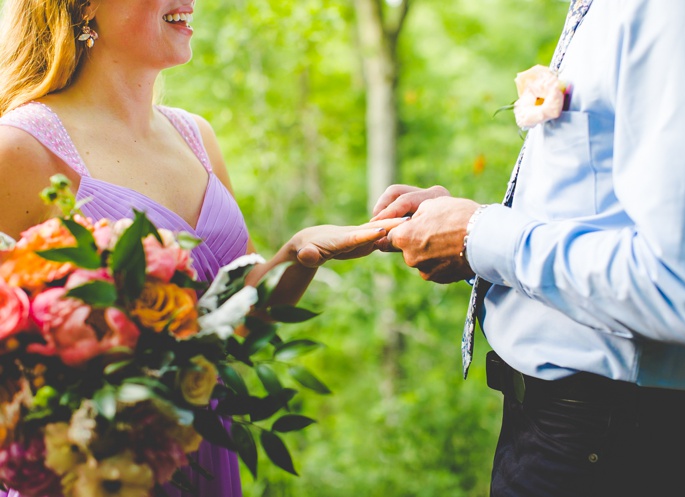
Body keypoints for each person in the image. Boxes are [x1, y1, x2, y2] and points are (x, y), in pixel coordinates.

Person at [0, 0, 398, 494]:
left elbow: (235, 319)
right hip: (92, 470)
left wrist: (295, 254)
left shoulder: (196, 137)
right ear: (85, 8)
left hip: (203, 454)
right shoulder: (19, 148)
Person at [368, 0, 685, 495]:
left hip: (611, 446)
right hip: (566, 432)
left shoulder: (675, 10)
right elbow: (599, 215)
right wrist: (459, 228)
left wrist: (478, 235)